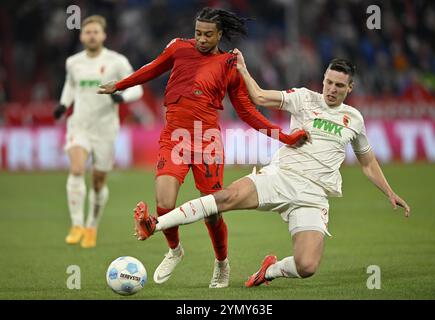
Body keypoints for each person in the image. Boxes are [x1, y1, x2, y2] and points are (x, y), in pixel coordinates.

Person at [132, 50, 411, 287]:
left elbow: (368, 161)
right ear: (323, 79)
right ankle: (156, 225)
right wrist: (242, 69)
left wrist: (390, 191)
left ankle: (270, 270)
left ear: (350, 88)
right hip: (281, 176)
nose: (331, 89)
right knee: (224, 198)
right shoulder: (303, 98)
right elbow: (260, 97)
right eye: (328, 82)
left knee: (307, 266)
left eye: (339, 86)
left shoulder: (355, 119)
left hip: (314, 196)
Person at [98, 7, 307, 288]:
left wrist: (285, 136)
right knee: (164, 202)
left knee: (211, 211)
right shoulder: (178, 47)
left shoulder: (230, 65)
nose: (201, 39)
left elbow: (246, 111)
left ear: (220, 34)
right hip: (175, 136)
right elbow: (152, 68)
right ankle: (174, 251)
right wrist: (121, 85)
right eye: (198, 33)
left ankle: (221, 264)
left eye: (208, 34)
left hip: (207, 141)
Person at [56, 15, 143, 248]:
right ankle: (76, 225)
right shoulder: (73, 62)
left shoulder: (117, 61)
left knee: (98, 182)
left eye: (96, 32)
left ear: (103, 35)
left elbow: (138, 88)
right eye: (87, 32)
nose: (91, 35)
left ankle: (92, 226)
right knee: (76, 169)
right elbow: (71, 86)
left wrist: (122, 96)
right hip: (79, 125)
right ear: (82, 35)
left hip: (105, 129)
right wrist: (64, 105)